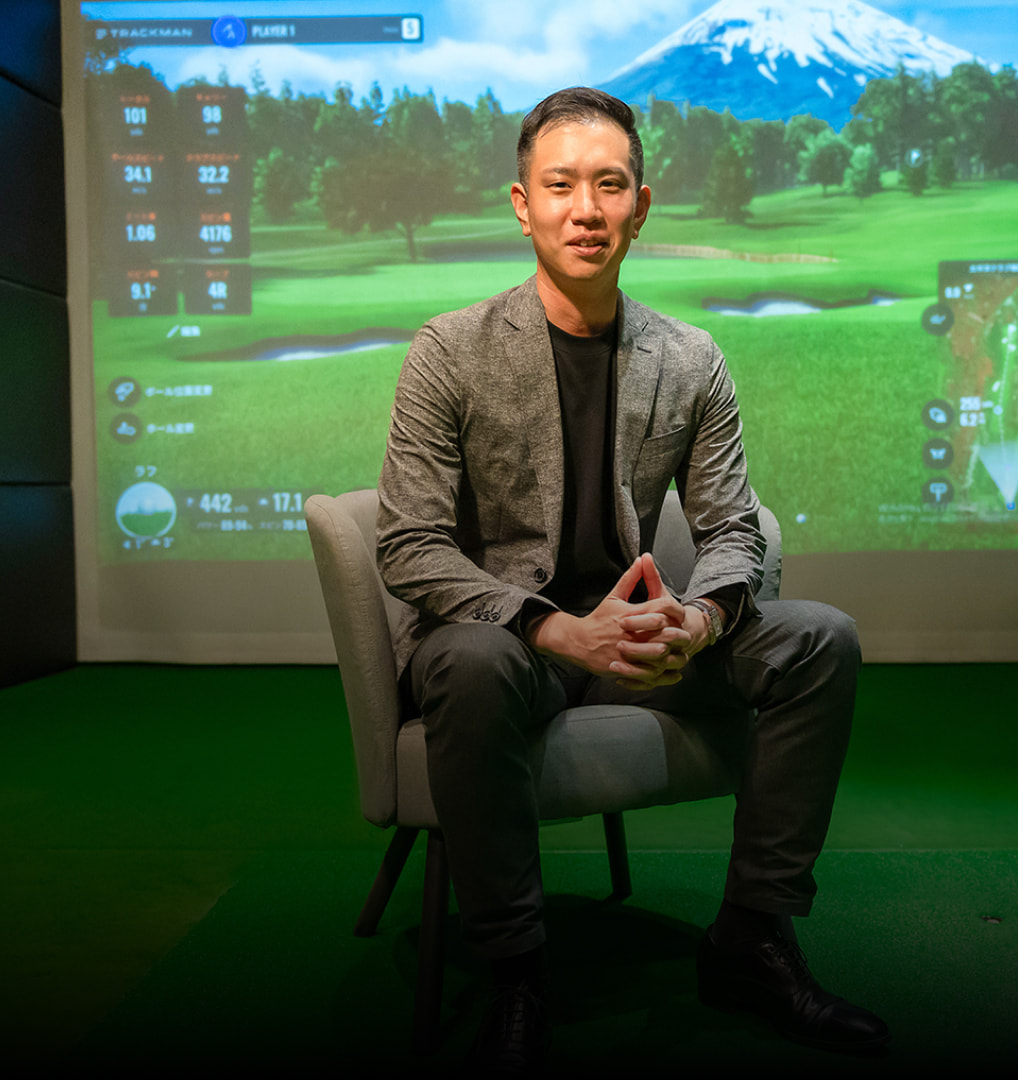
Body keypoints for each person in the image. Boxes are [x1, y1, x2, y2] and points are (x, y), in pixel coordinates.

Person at [376, 86, 885, 1072]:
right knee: (473, 664)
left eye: (609, 185)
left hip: (640, 641)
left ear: (640, 208)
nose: (586, 208)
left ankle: (751, 940)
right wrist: (552, 627)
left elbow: (737, 529)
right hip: (511, 644)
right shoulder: (450, 350)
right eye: (560, 185)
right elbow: (410, 547)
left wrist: (700, 617)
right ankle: (519, 974)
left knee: (820, 637)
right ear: (521, 204)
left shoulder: (689, 358)